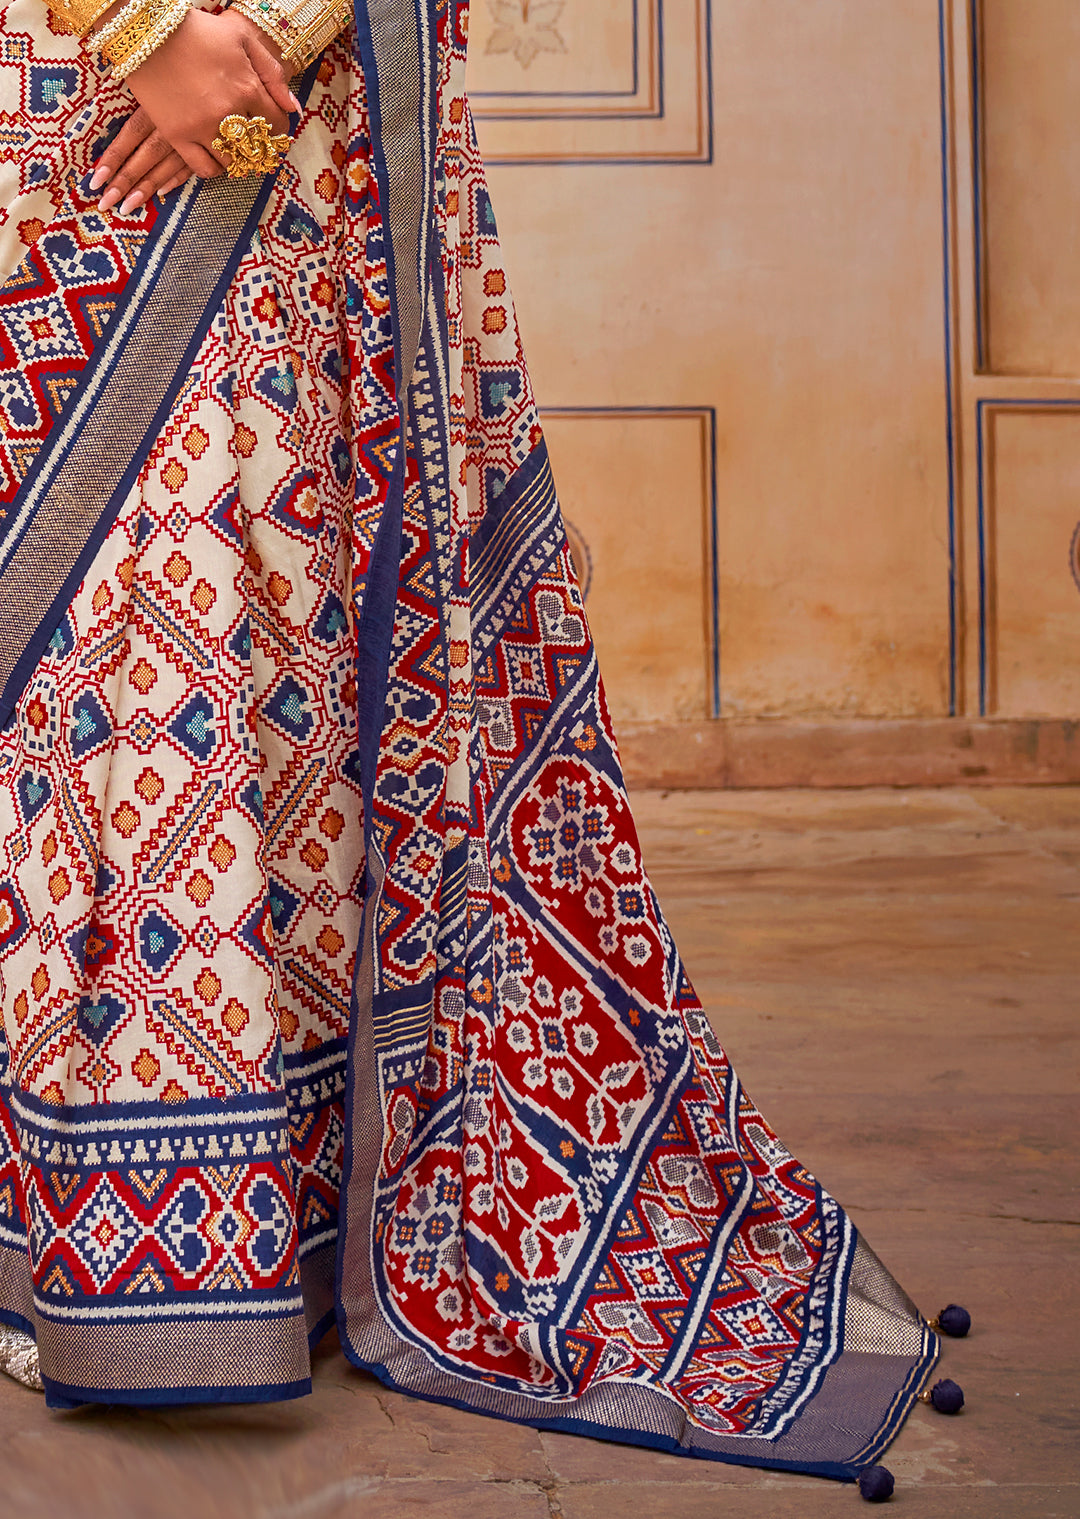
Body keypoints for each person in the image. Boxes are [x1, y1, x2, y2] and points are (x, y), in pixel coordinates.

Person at [0, 0, 960, 1490]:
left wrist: (247, 27)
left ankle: (244, 1224)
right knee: (77, 633)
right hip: (52, 99)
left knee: (234, 619)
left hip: (271, 110)